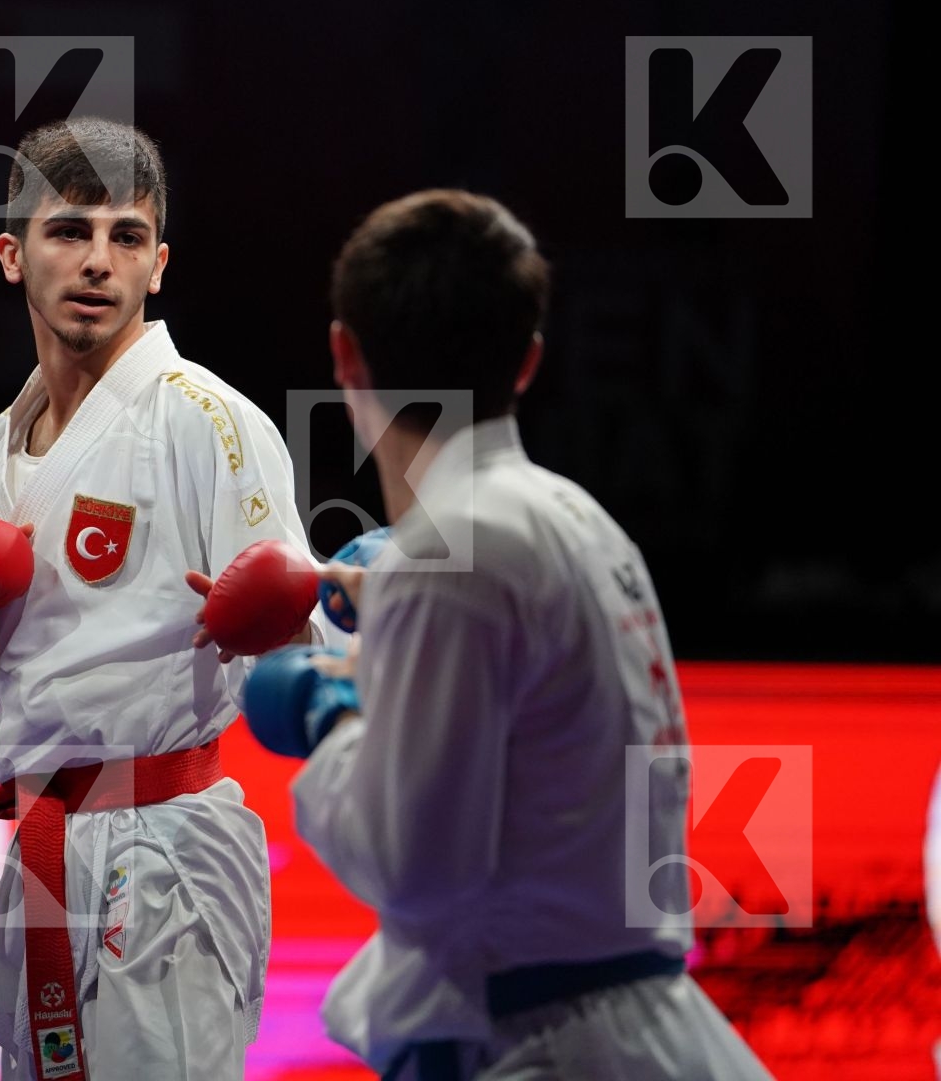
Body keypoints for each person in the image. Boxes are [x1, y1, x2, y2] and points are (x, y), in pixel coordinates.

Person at [227, 190, 773, 1078]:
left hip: (542, 1042)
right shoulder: (578, 519)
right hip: (625, 1022)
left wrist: (332, 713)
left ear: (343, 354)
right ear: (526, 361)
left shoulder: (452, 553)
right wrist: (391, 633)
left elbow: (421, 872)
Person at [0, 117, 334, 1081]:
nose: (99, 261)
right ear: (14, 256)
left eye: (126, 237)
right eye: (70, 232)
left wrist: (273, 626)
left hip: (167, 851)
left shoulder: (209, 421)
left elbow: (307, 648)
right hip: (45, 842)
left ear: (159, 264)